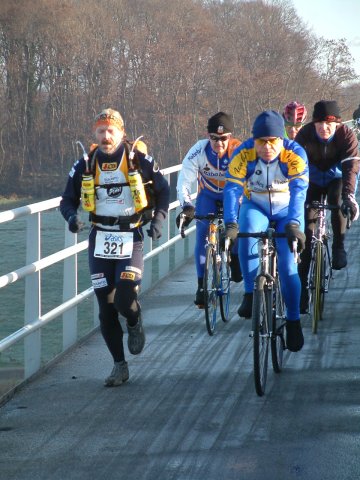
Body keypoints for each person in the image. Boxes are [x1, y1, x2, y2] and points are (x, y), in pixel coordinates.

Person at [60, 108, 170, 386]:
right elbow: (67, 199)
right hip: (100, 238)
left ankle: (134, 321)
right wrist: (72, 218)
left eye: (111, 131)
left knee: (124, 299)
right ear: (94, 134)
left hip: (130, 236)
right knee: (105, 308)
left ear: (122, 133)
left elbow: (164, 189)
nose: (106, 136)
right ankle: (119, 366)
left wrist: (158, 219)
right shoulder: (86, 163)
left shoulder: (138, 160)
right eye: (101, 131)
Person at [223, 110, 309, 352]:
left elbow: (300, 193)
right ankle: (251, 293)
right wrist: (230, 224)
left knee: (288, 265)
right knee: (247, 231)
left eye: (273, 142)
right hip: (256, 205)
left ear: (282, 140)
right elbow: (232, 189)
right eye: (262, 142)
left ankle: (293, 321)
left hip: (286, 210)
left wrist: (294, 224)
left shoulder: (295, 153)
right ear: (254, 140)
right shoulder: (244, 153)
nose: (268, 147)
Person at [295, 100, 360, 313]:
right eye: (320, 124)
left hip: (336, 179)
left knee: (337, 202)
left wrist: (349, 197)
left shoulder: (346, 135)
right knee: (306, 234)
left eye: (330, 125)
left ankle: (339, 247)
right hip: (311, 181)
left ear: (338, 124)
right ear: (313, 124)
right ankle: (302, 291)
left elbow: (351, 167)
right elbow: (293, 167)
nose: (324, 128)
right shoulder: (304, 135)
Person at [176, 112, 242, 308]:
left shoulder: (238, 150)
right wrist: (187, 206)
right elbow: (184, 180)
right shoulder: (199, 150)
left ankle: (235, 256)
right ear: (208, 135)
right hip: (208, 195)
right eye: (214, 138)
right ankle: (201, 286)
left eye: (223, 139)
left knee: (237, 226)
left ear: (230, 137)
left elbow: (247, 180)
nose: (219, 143)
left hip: (233, 194)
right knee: (202, 234)